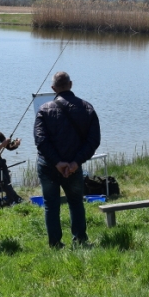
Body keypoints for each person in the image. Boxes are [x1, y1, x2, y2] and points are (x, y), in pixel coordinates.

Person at [34, 71, 101, 248]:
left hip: (48, 166)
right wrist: (75, 163)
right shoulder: (87, 108)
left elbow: (40, 141)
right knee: (76, 202)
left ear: (53, 88)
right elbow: (93, 141)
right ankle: (79, 240)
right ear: (70, 84)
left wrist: (57, 162)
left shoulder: (43, 109)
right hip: (73, 166)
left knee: (51, 204)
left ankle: (55, 244)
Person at [0, 114, 23, 205]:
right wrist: (2, 144)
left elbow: (9, 146)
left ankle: (11, 198)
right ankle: (15, 199)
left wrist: (15, 144)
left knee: (7, 180)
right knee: (3, 180)